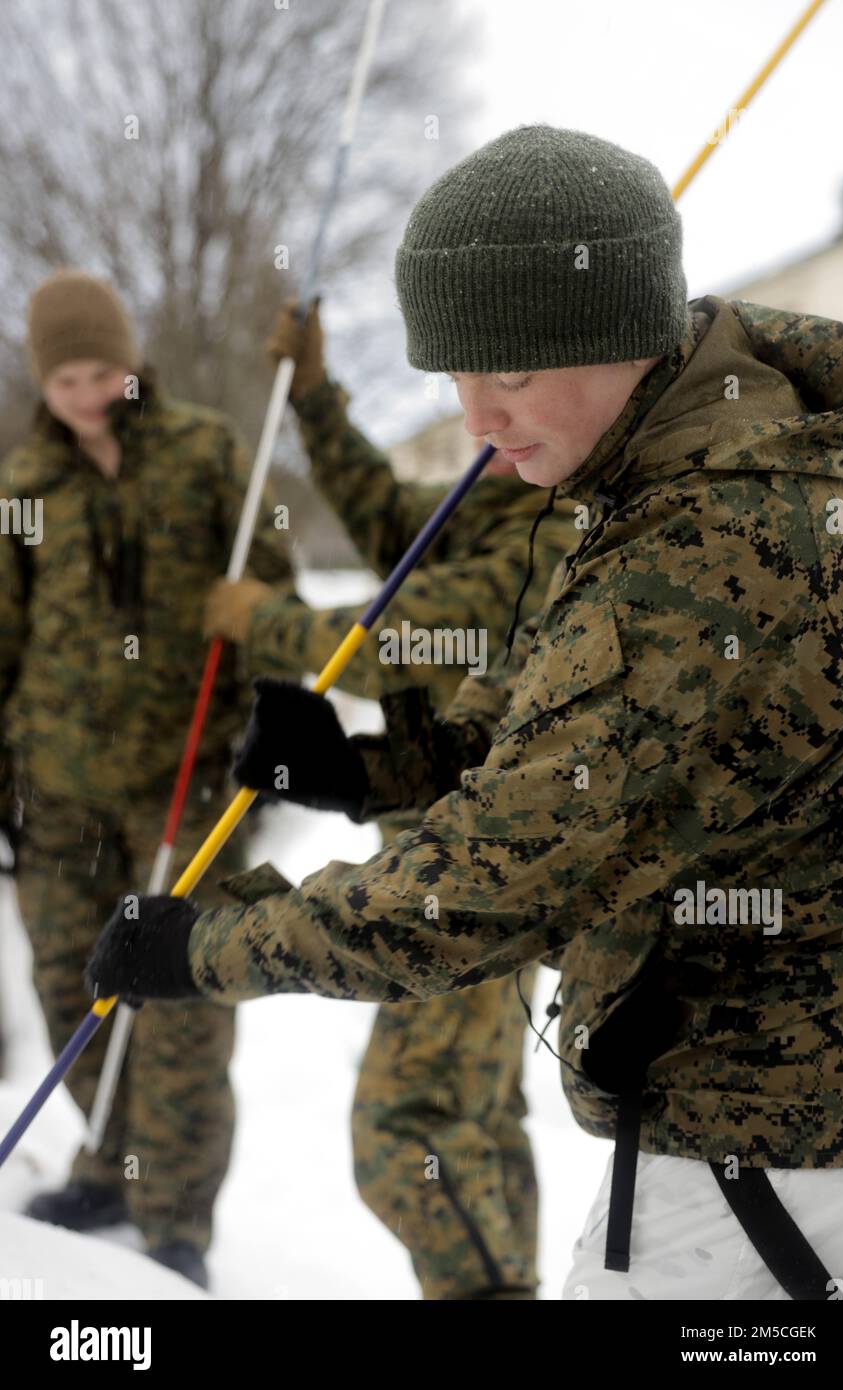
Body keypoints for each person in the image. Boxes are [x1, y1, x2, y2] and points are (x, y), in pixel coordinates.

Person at [87, 125, 843, 1301]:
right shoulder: (691, 456)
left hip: (756, 1141)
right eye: (454, 375)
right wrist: (369, 770)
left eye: (504, 371)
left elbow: (474, 893)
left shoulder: (701, 545)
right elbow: (604, 750)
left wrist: (203, 944)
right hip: (771, 1122)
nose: (475, 420)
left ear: (606, 334)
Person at [203, 299, 577, 1299]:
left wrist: (265, 622)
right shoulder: (486, 500)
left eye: (514, 396)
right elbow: (379, 512)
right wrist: (318, 396)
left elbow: (407, 631)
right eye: (470, 400)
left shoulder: (556, 534)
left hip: (482, 871)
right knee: (474, 1119)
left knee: (405, 1127)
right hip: (441, 844)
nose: (483, 427)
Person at [0, 269, 294, 1289]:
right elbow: (2, 635)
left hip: (189, 780)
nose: (87, 391)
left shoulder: (206, 452)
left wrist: (268, 706)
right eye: (67, 375)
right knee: (68, 987)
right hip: (60, 785)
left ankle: (174, 1217)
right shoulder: (24, 486)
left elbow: (273, 597)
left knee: (181, 1003)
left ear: (131, 362)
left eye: (103, 369)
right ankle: (110, 1167)